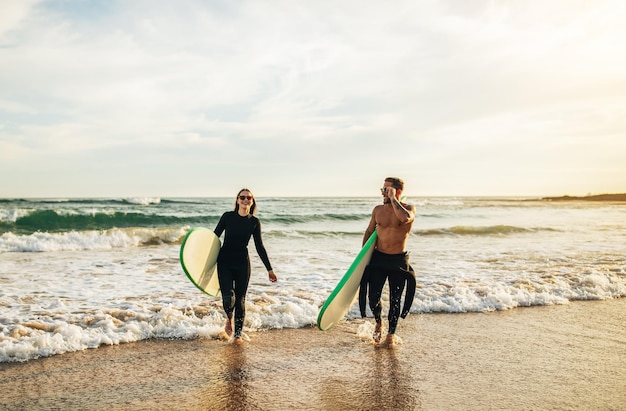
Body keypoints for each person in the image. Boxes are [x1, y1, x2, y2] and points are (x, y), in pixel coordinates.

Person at [214, 188, 277, 344]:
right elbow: (214, 238)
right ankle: (229, 318)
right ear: (237, 200)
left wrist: (269, 269)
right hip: (225, 261)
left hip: (242, 263)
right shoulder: (227, 217)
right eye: (242, 197)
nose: (245, 200)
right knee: (228, 298)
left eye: (248, 197)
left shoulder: (254, 222)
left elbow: (259, 246)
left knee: (240, 299)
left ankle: (237, 335)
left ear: (252, 200)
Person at [359, 177, 416, 348]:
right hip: (379, 259)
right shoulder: (378, 210)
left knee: (395, 300)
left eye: (386, 189)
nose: (382, 192)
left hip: (398, 261)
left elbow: (405, 219)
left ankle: (391, 334)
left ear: (398, 192)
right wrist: (362, 256)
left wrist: (393, 199)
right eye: (382, 189)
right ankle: (378, 322)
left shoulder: (408, 209)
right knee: (373, 297)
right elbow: (369, 231)